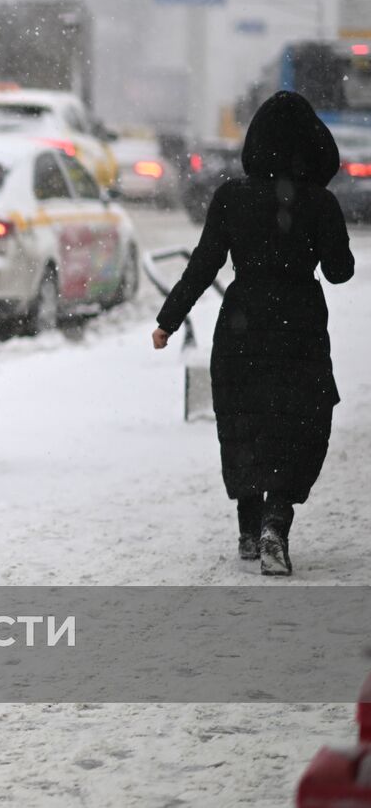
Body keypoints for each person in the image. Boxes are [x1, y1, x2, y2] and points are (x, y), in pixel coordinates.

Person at [153, 91, 353, 576]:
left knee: (243, 419)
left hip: (242, 323)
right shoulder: (320, 202)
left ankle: (247, 528)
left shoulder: (231, 196)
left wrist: (168, 319)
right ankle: (275, 522)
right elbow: (340, 271)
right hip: (300, 327)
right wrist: (321, 226)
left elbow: (204, 264)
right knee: (299, 422)